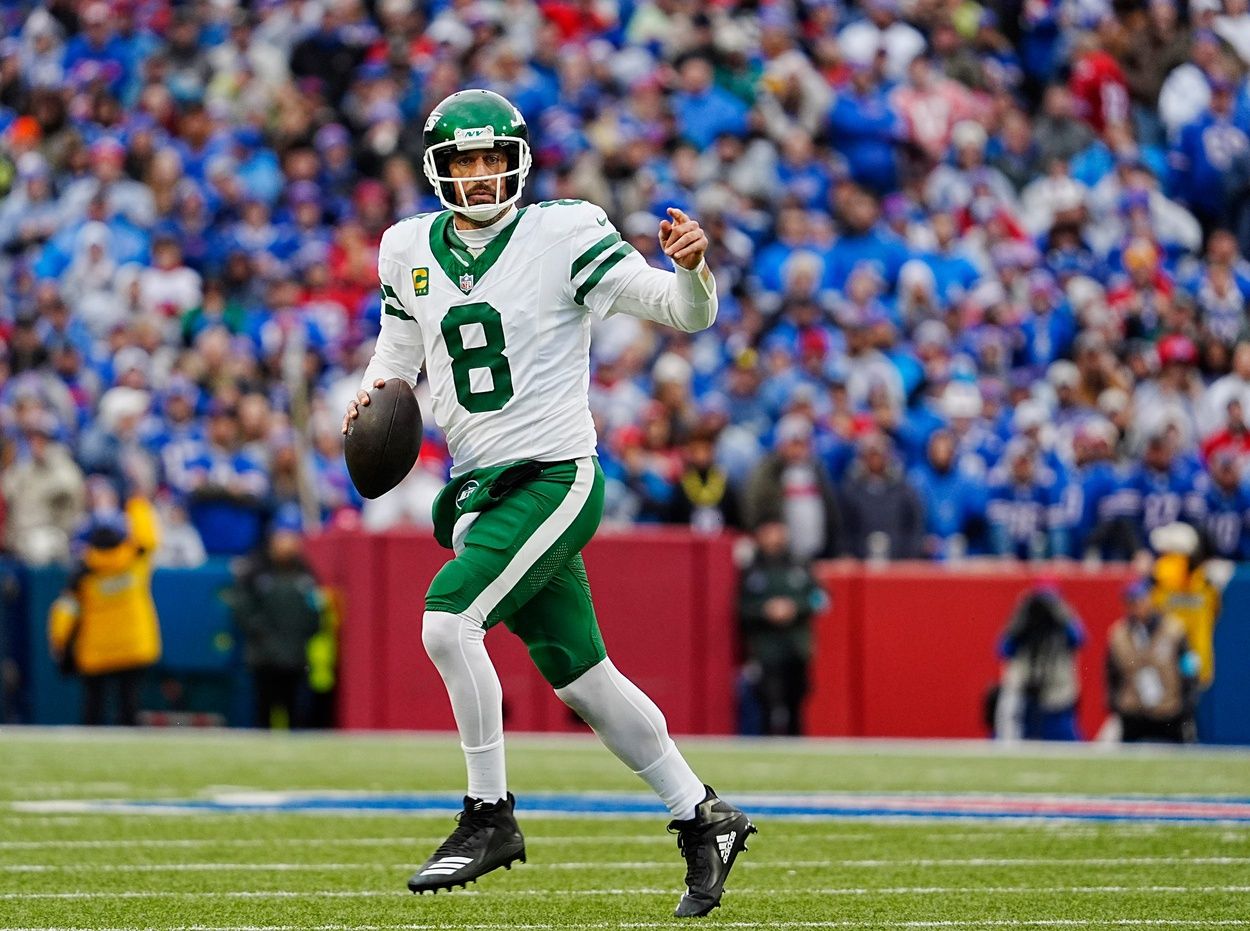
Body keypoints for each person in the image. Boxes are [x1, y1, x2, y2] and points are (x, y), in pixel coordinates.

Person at [341, 90, 755, 916]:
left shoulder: (565, 231)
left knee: (446, 619)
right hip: (476, 487)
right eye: (465, 161)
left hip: (555, 477)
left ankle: (489, 814)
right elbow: (396, 359)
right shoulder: (405, 248)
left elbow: (684, 314)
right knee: (584, 678)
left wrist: (692, 267)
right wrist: (367, 400)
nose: (482, 174)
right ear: (439, 170)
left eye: (494, 157)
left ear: (519, 159)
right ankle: (702, 812)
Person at [46, 490, 161, 726]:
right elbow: (148, 535)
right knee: (129, 706)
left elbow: (65, 612)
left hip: (96, 650)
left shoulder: (83, 573)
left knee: (93, 709)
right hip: (133, 645)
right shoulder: (135, 560)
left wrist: (60, 644)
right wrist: (136, 500)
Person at [225, 510, 325, 729]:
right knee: (262, 716)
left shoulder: (305, 572)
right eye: (283, 535)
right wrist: (264, 636)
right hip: (263, 658)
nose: (288, 542)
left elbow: (314, 611)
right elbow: (243, 609)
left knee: (296, 716)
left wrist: (300, 637)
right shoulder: (256, 568)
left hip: (295, 658)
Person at [737, 521, 825, 736]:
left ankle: (798, 746)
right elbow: (741, 607)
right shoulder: (753, 570)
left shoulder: (800, 566)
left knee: (797, 701)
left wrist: (795, 607)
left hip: (796, 646)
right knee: (767, 701)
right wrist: (765, 610)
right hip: (766, 648)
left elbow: (820, 599)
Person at [1106, 578, 1199, 743]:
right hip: (1133, 710)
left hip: (1168, 710)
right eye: (1129, 602)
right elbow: (1111, 672)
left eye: (1138, 600)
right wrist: (1115, 702)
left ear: (1149, 599)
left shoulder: (1174, 629)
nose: (1134, 606)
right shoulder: (1118, 634)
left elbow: (1188, 665)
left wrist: (1187, 701)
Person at [993, 587, 1084, 741]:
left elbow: (1079, 639)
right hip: (1027, 700)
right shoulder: (1024, 624)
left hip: (1057, 700)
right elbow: (1003, 649)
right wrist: (1022, 620)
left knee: (1068, 749)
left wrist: (1060, 614)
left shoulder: (1062, 626)